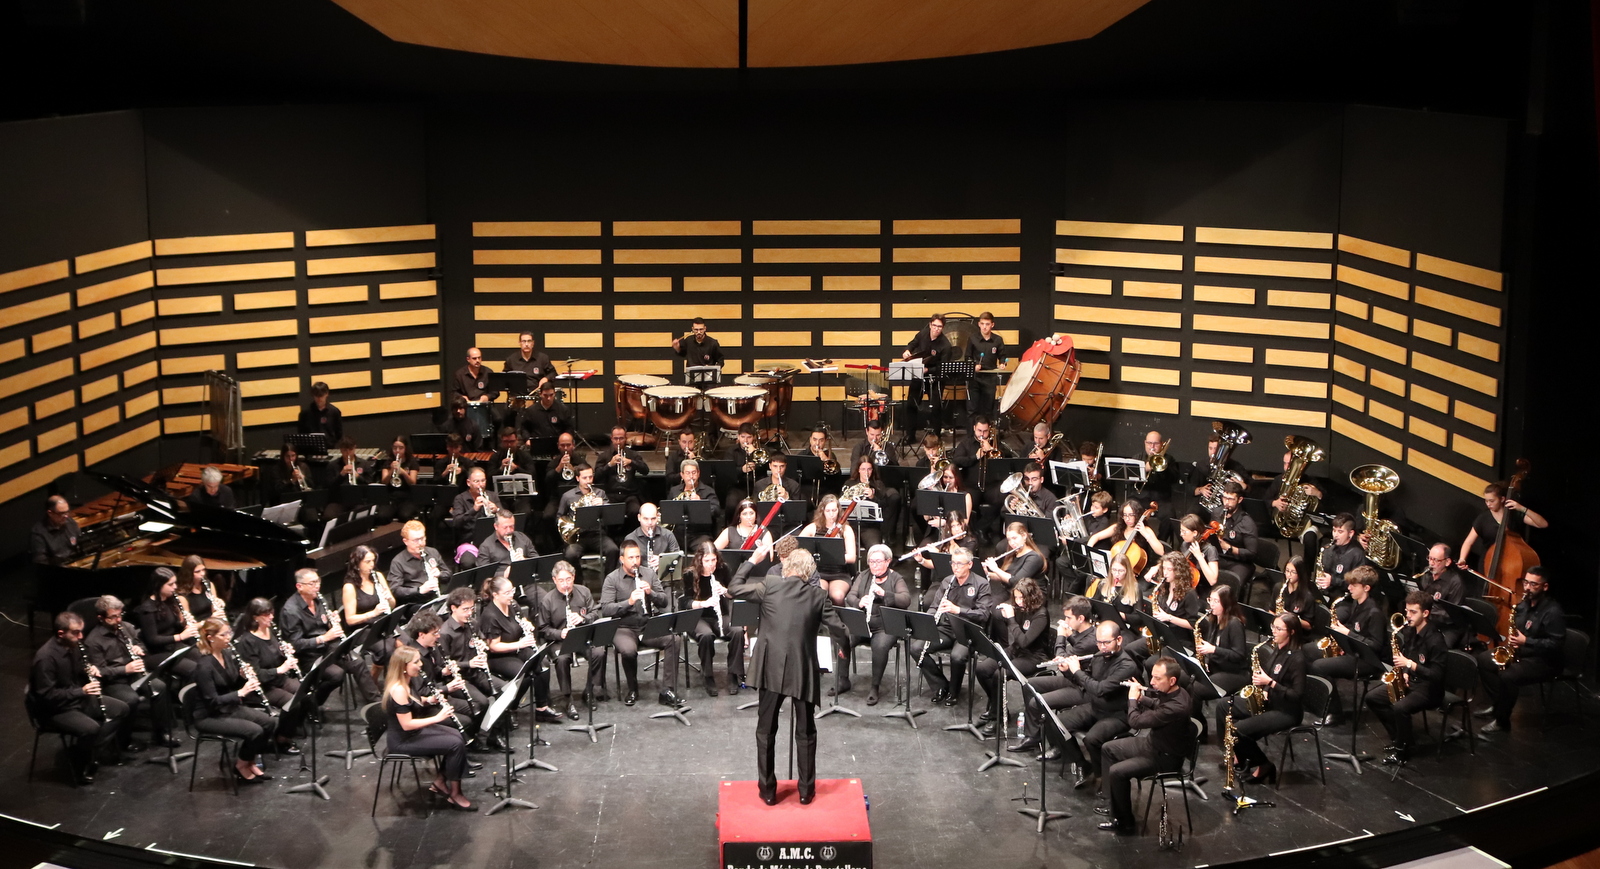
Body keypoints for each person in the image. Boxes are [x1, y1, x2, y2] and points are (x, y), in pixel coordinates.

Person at [730, 547, 847, 806]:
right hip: (802, 671)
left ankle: (768, 791)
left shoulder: (770, 585)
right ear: (808, 572)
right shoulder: (818, 595)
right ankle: (806, 792)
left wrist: (752, 560)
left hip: (769, 669)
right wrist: (843, 650)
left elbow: (734, 588)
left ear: (787, 568)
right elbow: (839, 629)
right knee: (806, 733)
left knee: (765, 730)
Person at [30, 612, 131, 784]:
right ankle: (80, 765)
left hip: (76, 697)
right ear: (61, 633)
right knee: (90, 729)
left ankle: (89, 755)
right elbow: (46, 695)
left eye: (81, 632)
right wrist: (82, 691)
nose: (81, 636)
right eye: (76, 633)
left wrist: (89, 670)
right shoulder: (45, 658)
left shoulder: (75, 646)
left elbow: (76, 673)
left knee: (121, 709)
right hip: (55, 708)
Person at [1096, 658, 1192, 834]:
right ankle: (1114, 807)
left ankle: (1125, 823)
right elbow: (1158, 704)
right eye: (1152, 677)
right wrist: (1143, 698)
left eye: (1157, 679)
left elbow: (1135, 721)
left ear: (1172, 680)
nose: (1152, 682)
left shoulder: (1177, 707)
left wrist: (1133, 699)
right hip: (1152, 745)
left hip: (1164, 758)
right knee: (1108, 748)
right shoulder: (1177, 692)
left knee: (1117, 772)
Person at [1045, 621, 1139, 789]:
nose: (1102, 647)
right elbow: (1085, 682)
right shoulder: (1099, 657)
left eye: (1106, 642)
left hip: (1117, 714)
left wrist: (1077, 671)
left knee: (1092, 739)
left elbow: (1099, 689)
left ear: (1119, 640)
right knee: (1057, 723)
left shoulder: (1127, 666)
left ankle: (1105, 779)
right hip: (1096, 707)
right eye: (1099, 642)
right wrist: (1067, 670)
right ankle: (1083, 764)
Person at [1216, 612, 1306, 785]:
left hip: (1286, 711)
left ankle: (1264, 765)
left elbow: (1297, 695)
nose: (1274, 631)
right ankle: (1237, 755)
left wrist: (1270, 684)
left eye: (1279, 629)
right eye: (1273, 627)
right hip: (1269, 701)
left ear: (1292, 632)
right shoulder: (1277, 649)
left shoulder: (1298, 659)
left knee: (1238, 729)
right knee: (1223, 706)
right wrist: (1263, 688)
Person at [382, 646, 475, 811]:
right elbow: (406, 724)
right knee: (454, 744)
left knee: (456, 735)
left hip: (412, 734)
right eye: (415, 662)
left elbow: (414, 701)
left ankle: (440, 781)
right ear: (404, 667)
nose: (420, 665)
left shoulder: (406, 682)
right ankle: (455, 793)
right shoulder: (398, 690)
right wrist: (437, 718)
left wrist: (429, 700)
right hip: (404, 740)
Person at [1477, 566, 1566, 734]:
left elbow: (1556, 644)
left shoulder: (1553, 612)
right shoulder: (1523, 605)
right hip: (1523, 653)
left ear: (1544, 587)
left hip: (1544, 660)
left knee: (1508, 675)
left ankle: (1502, 721)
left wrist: (1527, 641)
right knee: (1484, 660)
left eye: (1533, 584)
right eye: (1526, 583)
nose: (1527, 588)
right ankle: (1499, 705)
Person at [85, 595, 179, 753]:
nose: (118, 620)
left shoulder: (126, 627)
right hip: (113, 681)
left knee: (160, 687)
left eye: (120, 614)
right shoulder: (93, 641)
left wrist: (139, 648)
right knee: (131, 699)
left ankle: (161, 734)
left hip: (133, 674)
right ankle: (124, 742)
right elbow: (99, 671)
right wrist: (125, 669)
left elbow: (140, 642)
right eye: (113, 617)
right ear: (100, 618)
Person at [1365, 590, 1448, 765]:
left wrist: (1410, 665)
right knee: (1372, 698)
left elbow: (1437, 675)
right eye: (1407, 611)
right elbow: (1407, 656)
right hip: (1412, 679)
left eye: (1413, 612)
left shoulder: (1436, 640)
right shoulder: (1409, 631)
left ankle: (1403, 752)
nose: (1408, 616)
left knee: (1400, 708)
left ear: (1425, 613)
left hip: (1430, 688)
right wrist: (1404, 673)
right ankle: (1400, 738)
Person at [190, 618, 277, 784]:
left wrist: (243, 677)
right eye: (223, 634)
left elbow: (230, 682)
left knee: (269, 722)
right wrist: (241, 692)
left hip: (228, 707)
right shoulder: (204, 666)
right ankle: (241, 765)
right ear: (210, 637)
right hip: (209, 716)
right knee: (254, 731)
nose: (228, 637)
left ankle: (249, 760)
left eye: (229, 633)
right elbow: (212, 701)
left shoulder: (227, 654)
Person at [599, 540, 684, 707]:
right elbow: (606, 609)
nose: (635, 561)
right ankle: (632, 688)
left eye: (637, 557)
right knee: (629, 651)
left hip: (647, 625)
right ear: (622, 559)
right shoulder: (612, 579)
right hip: (623, 627)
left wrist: (650, 593)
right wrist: (629, 602)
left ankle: (667, 690)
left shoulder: (649, 574)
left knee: (674, 639)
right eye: (631, 557)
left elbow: (664, 600)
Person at [476, 576, 563, 722]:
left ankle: (541, 707)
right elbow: (493, 646)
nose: (512, 595)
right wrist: (520, 644)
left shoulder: (513, 605)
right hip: (498, 656)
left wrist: (527, 626)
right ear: (495, 595)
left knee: (543, 664)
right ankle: (510, 707)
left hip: (517, 647)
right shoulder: (490, 615)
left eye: (512, 591)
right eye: (507, 593)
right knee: (524, 674)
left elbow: (520, 622)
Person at [911, 548, 991, 706]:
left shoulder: (981, 584)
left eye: (959, 564)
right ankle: (940, 685)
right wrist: (931, 618)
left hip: (968, 630)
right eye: (953, 563)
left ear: (970, 564)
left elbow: (983, 614)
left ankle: (954, 692)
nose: (955, 567)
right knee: (916, 648)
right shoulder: (947, 581)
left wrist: (958, 610)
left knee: (957, 656)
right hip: (946, 629)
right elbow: (935, 605)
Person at [1307, 564, 1387, 721]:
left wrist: (1348, 634)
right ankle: (1316, 698)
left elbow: (1376, 645)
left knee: (1319, 666)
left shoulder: (1375, 613)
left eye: (1353, 585)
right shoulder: (1357, 603)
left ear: (1366, 588)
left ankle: (1334, 711)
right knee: (1308, 651)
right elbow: (1353, 628)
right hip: (1353, 650)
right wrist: (1342, 639)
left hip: (1368, 660)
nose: (1349, 588)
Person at [231, 597, 308, 755]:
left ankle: (289, 727)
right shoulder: (247, 641)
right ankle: (281, 739)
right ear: (255, 617)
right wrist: (281, 669)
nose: (271, 617)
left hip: (276, 679)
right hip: (260, 687)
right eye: (266, 615)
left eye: (271, 613)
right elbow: (256, 675)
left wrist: (284, 651)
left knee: (304, 692)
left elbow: (273, 656)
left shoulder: (269, 629)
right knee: (291, 702)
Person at [976, 577, 1051, 736]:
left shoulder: (1041, 614)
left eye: (1021, 598)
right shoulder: (1019, 609)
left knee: (999, 674)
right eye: (1016, 597)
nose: (1018, 601)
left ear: (1032, 597)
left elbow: (1024, 641)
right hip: (1016, 650)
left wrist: (1010, 619)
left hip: (1034, 657)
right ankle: (998, 707)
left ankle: (997, 716)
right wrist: (1003, 614)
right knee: (982, 669)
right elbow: (1016, 640)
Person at [839, 544, 912, 705]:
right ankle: (843, 680)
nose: (874, 565)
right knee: (842, 637)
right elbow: (850, 595)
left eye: (878, 562)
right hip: (863, 623)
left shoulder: (895, 578)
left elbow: (906, 599)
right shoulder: (864, 576)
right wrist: (859, 602)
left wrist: (885, 593)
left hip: (885, 626)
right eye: (871, 562)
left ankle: (874, 687)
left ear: (888, 561)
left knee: (879, 646)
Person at [535, 561, 605, 718]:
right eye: (561, 581)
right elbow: (543, 629)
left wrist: (583, 618)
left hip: (581, 635)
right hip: (559, 641)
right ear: (554, 580)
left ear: (573, 577)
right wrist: (560, 634)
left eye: (568, 579)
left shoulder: (584, 592)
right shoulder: (547, 600)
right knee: (562, 659)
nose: (565, 584)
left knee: (599, 652)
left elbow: (594, 613)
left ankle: (589, 690)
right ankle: (568, 699)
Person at [278, 568, 355, 706]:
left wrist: (333, 621)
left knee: (357, 662)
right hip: (308, 656)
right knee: (337, 675)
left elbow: (325, 623)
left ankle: (374, 700)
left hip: (327, 647)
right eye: (312, 583)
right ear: (299, 586)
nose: (317, 586)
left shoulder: (318, 598)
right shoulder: (291, 611)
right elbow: (295, 644)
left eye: (318, 581)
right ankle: (313, 703)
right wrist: (323, 638)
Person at [682, 542, 745, 696]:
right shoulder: (690, 574)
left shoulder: (723, 569)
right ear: (699, 560)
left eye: (713, 560)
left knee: (737, 631)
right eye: (707, 561)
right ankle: (708, 675)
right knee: (706, 635)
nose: (711, 565)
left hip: (720, 615)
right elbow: (686, 602)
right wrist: (703, 603)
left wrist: (725, 591)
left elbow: (732, 593)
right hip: (698, 617)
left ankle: (733, 674)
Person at [129, 567, 200, 682]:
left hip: (173, 646)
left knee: (204, 660)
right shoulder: (147, 609)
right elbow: (152, 639)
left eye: (175, 583)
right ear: (158, 586)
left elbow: (171, 626)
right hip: (155, 652)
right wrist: (181, 636)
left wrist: (184, 624)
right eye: (170, 584)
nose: (175, 587)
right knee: (193, 668)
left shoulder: (169, 600)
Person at [1458, 481, 1549, 570]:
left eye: (1492, 501)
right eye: (1486, 501)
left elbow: (1542, 524)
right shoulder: (1483, 518)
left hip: (1511, 565)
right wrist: (1462, 558)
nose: (1488, 504)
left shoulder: (1515, 515)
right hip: (1488, 564)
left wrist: (1522, 509)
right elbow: (1469, 542)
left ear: (1502, 499)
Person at [558, 464, 619, 571]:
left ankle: (608, 582)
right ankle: (579, 584)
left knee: (613, 550)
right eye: (584, 478)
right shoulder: (568, 496)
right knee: (570, 554)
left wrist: (603, 504)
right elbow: (559, 517)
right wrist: (568, 527)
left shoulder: (600, 493)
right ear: (577, 478)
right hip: (578, 537)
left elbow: (610, 516)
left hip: (597, 534)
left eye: (590, 477)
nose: (588, 481)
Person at [801, 494, 858, 605]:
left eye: (834, 510)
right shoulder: (813, 527)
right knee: (819, 594)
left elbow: (852, 557)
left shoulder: (846, 529)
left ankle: (839, 620)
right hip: (819, 572)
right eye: (828, 511)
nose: (831, 514)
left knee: (837, 596)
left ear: (839, 511)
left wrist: (833, 555)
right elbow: (799, 549)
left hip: (839, 573)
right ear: (822, 511)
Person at [900, 314, 948, 441]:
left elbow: (943, 367)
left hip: (935, 378)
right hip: (918, 375)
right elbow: (912, 343)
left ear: (943, 328)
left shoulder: (945, 345)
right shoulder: (922, 334)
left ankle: (936, 438)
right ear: (930, 325)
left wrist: (928, 369)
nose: (936, 329)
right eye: (935, 326)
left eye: (940, 327)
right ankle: (910, 436)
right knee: (911, 404)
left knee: (936, 408)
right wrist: (907, 350)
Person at [1195, 584, 1250, 695]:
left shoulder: (1234, 624)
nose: (1211, 604)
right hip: (1217, 666)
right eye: (1210, 600)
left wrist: (1214, 650)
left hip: (1234, 672)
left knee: (1197, 688)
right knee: (1188, 679)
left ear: (1226, 603)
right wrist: (1206, 661)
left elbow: (1239, 655)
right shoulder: (1214, 619)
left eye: (1216, 601)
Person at [1087, 499, 1163, 578]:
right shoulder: (1118, 528)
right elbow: (1096, 537)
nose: (1127, 518)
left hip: (1136, 573)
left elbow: (1161, 551)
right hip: (1116, 570)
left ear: (1138, 515)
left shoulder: (1146, 530)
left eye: (1131, 515)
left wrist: (1145, 534)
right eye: (1125, 515)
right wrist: (1088, 550)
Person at [450, 467, 503, 568]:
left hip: (492, 541)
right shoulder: (460, 499)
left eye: (483, 481)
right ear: (468, 483)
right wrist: (474, 510)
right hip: (469, 542)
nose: (480, 484)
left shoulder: (493, 496)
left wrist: (497, 510)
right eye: (476, 481)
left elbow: (506, 517)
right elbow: (456, 522)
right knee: (468, 562)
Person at [842, 455, 897, 550]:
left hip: (870, 526)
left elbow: (884, 507)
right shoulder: (849, 484)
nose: (866, 473)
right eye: (863, 469)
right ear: (858, 470)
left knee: (875, 549)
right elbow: (841, 502)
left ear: (872, 470)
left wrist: (873, 497)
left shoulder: (878, 484)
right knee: (848, 548)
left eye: (869, 469)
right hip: (851, 525)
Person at [1417, 542, 1467, 648]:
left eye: (1436, 560)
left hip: (1447, 627)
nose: (1431, 563)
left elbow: (1453, 615)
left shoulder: (1455, 582)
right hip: (1426, 618)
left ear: (1447, 562)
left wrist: (1428, 613)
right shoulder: (1426, 574)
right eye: (1429, 558)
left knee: (1436, 647)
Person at [596, 425, 649, 523]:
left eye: (621, 438)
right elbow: (596, 477)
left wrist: (631, 462)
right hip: (610, 495)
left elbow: (645, 470)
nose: (618, 441)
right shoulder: (604, 456)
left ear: (626, 439)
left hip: (629, 495)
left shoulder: (633, 454)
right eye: (616, 438)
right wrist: (609, 464)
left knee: (636, 511)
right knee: (608, 514)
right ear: (611, 439)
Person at [388, 519, 450, 604]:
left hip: (437, 598)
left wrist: (440, 574)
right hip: (415, 603)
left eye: (422, 538)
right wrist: (419, 590)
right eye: (416, 540)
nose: (420, 543)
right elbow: (395, 590)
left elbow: (448, 574)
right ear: (405, 541)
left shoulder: (432, 552)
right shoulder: (398, 562)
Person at [1212, 481, 1259, 592]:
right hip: (1218, 556)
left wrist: (1229, 548)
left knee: (1231, 585)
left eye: (1231, 499)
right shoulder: (1216, 513)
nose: (1226, 503)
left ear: (1240, 500)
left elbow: (1251, 553)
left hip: (1239, 562)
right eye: (1224, 498)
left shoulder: (1247, 523)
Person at [981, 521, 1045, 599]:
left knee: (998, 610)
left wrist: (995, 569)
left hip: (1029, 597)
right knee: (989, 604)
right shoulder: (1014, 553)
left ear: (1024, 536)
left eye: (1014, 538)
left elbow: (1016, 581)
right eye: (1009, 540)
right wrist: (987, 573)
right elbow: (1007, 576)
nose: (1012, 543)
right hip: (1012, 592)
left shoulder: (1034, 558)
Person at [342, 544, 397, 630]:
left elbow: (392, 605)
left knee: (406, 641)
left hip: (384, 620)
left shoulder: (378, 576)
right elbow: (350, 619)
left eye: (373, 560)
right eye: (368, 562)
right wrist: (373, 613)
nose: (372, 565)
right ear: (357, 564)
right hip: (366, 628)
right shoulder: (349, 587)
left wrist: (389, 599)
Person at [1315, 513, 1368, 601]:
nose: (1335, 535)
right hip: (1325, 593)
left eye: (1340, 532)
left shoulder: (1357, 554)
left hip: (1345, 598)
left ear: (1350, 533)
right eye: (1334, 530)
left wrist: (1333, 581)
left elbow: (1357, 585)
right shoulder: (1327, 549)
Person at [665, 458, 722, 537]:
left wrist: (701, 503)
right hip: (678, 533)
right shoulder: (674, 490)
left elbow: (716, 511)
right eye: (687, 473)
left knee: (706, 547)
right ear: (682, 475)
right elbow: (668, 511)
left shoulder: (708, 491)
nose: (691, 476)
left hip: (700, 534)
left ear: (698, 473)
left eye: (694, 473)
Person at [623, 502, 681, 576]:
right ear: (639, 517)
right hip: (640, 579)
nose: (650, 523)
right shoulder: (630, 539)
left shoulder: (668, 535)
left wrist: (663, 561)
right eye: (646, 519)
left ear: (658, 517)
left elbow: (678, 559)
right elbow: (625, 566)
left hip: (663, 579)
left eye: (653, 519)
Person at [967, 311, 1005, 418]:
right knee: (972, 409)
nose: (984, 327)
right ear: (979, 324)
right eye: (982, 324)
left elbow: (1002, 355)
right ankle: (971, 434)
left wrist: (1002, 363)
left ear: (992, 325)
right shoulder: (972, 339)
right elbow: (968, 357)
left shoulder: (998, 340)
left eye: (987, 324)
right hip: (975, 378)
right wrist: (974, 365)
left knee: (988, 409)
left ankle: (987, 433)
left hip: (990, 378)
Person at [30, 494, 80, 566]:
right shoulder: (38, 534)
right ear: (50, 513)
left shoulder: (70, 523)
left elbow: (80, 543)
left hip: (74, 563)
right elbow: (41, 563)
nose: (66, 516)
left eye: (67, 512)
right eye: (61, 513)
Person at [504, 330, 553, 395]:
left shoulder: (543, 358)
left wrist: (546, 378)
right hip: (517, 397)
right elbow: (504, 378)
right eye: (524, 341)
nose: (526, 344)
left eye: (529, 341)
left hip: (537, 396)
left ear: (533, 343)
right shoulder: (511, 359)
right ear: (520, 343)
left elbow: (553, 373)